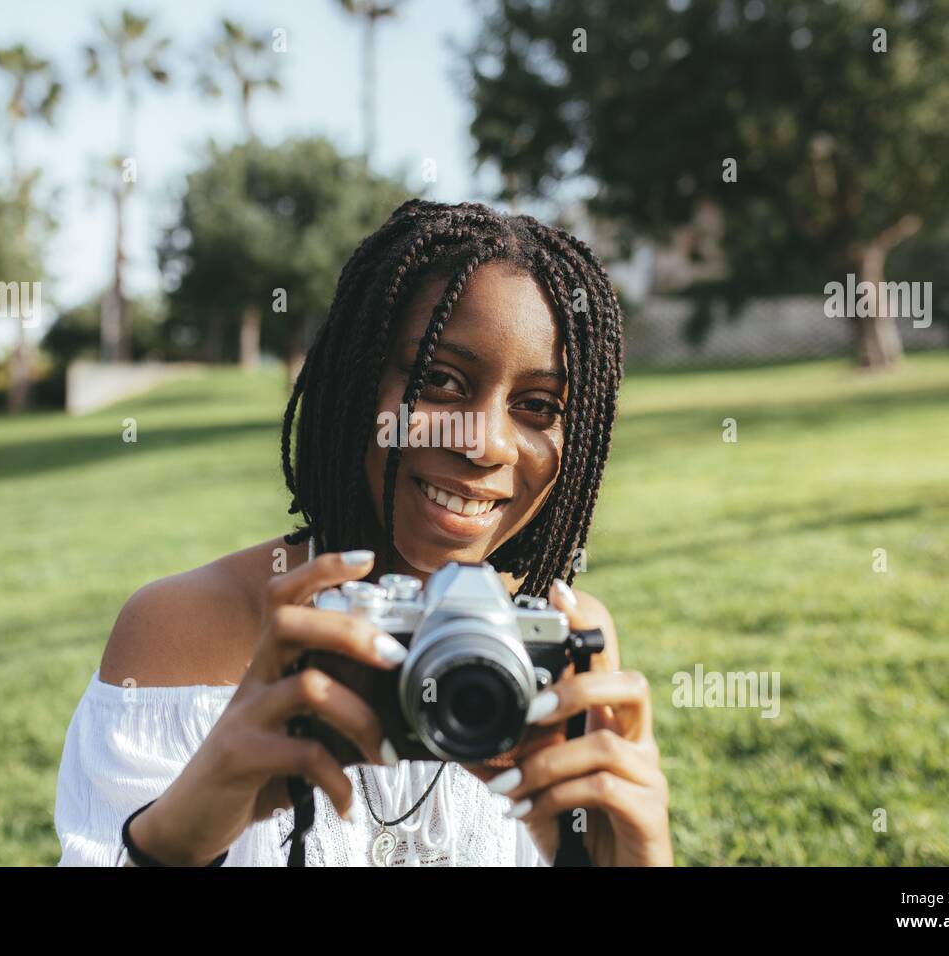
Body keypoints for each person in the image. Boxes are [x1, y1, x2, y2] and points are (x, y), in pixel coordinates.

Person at [54, 199, 672, 866]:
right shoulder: (185, 628)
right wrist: (180, 835)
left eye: (539, 406)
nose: (485, 443)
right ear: (355, 379)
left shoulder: (566, 638)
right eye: (439, 379)